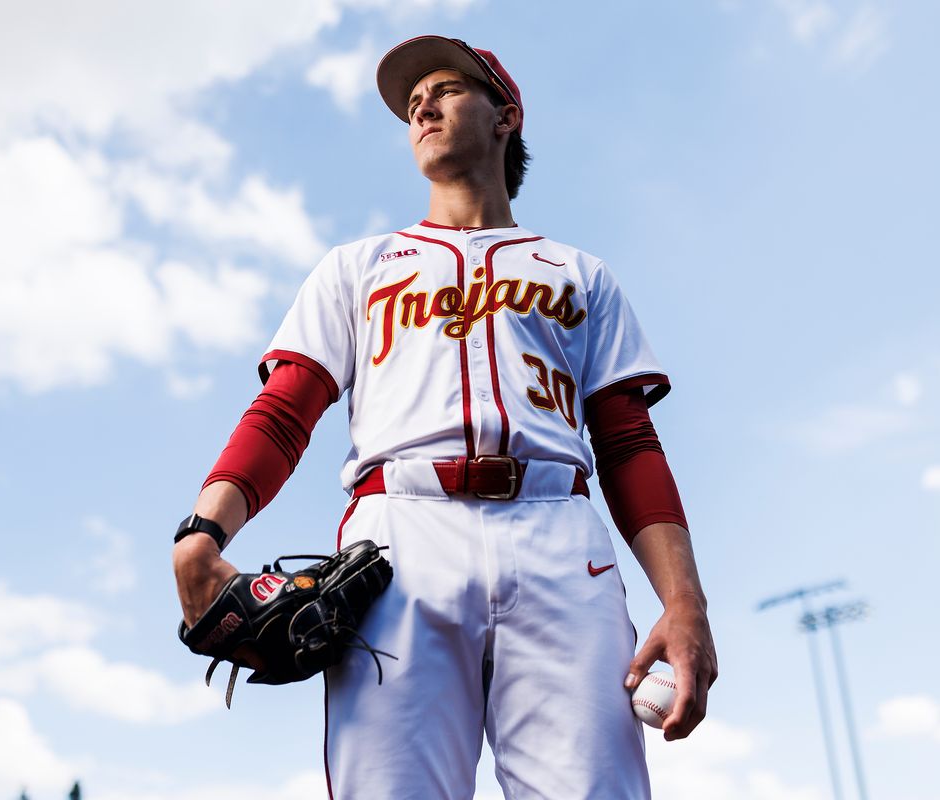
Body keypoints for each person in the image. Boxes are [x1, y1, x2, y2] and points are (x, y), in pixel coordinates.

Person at [173, 34, 717, 799]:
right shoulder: (356, 267)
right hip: (400, 541)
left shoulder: (580, 274)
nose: (421, 104)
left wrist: (683, 601)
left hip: (559, 536)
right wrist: (204, 532)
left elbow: (628, 442)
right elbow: (284, 411)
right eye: (410, 101)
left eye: (446, 88)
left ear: (506, 117)